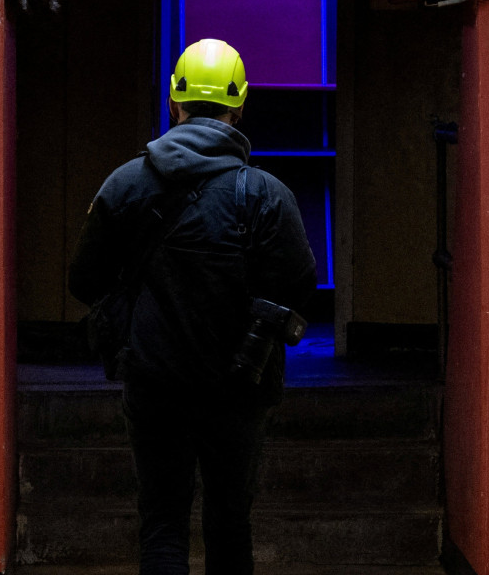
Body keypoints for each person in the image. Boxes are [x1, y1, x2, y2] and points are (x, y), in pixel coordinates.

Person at [68, 38, 318, 575]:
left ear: (173, 104)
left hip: (154, 383)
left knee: (162, 523)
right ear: (239, 106)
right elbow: (300, 287)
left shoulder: (127, 182)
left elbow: (84, 279)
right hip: (240, 387)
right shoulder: (267, 193)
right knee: (231, 524)